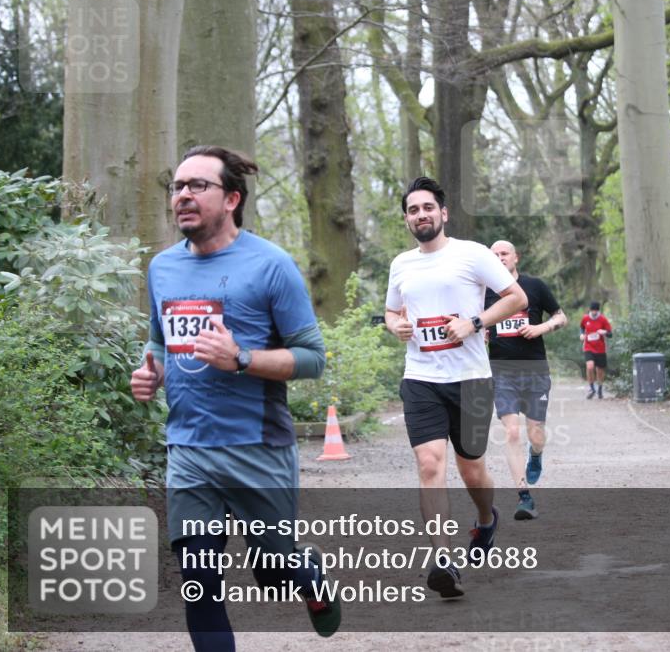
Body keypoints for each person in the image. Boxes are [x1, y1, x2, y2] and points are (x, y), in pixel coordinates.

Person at [130, 146, 339, 650]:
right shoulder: (162, 268)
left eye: (197, 186)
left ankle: (306, 572)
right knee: (200, 588)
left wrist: (241, 358)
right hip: (189, 451)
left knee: (271, 573)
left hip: (258, 448)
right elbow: (160, 339)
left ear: (232, 199)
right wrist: (149, 370)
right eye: (177, 187)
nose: (182, 195)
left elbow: (312, 358)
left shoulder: (270, 265)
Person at [384, 177, 528, 599]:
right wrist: (397, 325)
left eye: (428, 207)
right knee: (430, 465)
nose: (421, 215)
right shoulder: (401, 265)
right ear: (407, 219)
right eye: (413, 210)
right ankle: (443, 561)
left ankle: (486, 518)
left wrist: (475, 322)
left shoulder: (473, 254)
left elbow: (515, 298)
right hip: (421, 378)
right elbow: (392, 311)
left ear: (443, 213)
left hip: (470, 379)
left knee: (471, 467)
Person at [485, 241, 566, 520]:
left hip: (535, 371)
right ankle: (524, 496)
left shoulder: (535, 286)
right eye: (493, 255)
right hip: (501, 372)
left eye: (504, 253)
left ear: (515, 257)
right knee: (512, 432)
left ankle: (536, 454)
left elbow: (560, 317)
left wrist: (539, 327)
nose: (499, 258)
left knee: (535, 433)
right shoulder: (483, 293)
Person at [580, 301, 613, 399]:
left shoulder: (603, 319)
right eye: (592, 310)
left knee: (600, 370)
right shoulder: (585, 318)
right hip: (588, 346)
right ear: (590, 310)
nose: (594, 312)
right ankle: (591, 388)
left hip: (600, 349)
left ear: (598, 310)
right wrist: (581, 334)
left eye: (596, 310)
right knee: (590, 367)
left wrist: (604, 332)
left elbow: (610, 334)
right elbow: (582, 327)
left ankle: (599, 389)